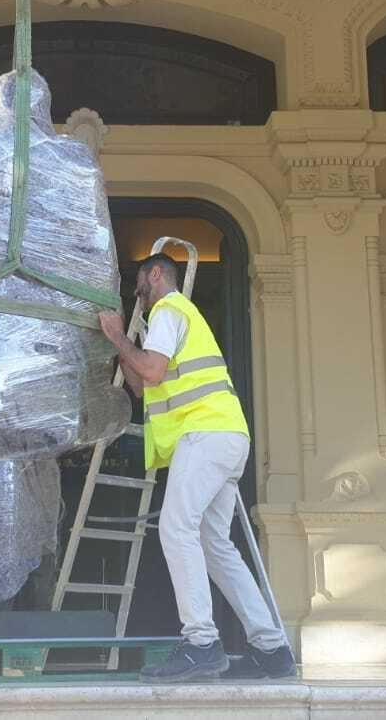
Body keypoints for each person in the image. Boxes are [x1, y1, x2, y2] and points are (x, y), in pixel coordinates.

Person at [98, 254, 296, 683]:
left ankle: (201, 643)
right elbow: (144, 381)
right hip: (224, 437)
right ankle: (271, 649)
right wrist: (121, 348)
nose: (137, 293)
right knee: (214, 544)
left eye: (138, 282)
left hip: (205, 436)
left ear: (156, 274)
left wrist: (117, 336)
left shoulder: (169, 308)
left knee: (176, 528)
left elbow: (151, 368)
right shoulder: (171, 322)